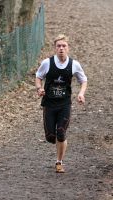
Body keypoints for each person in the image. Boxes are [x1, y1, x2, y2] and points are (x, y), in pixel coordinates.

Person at [35, 34, 88, 173]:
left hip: (65, 104)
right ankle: (55, 142)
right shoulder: (47, 63)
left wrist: (81, 93)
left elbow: (83, 80)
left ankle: (59, 162)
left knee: (61, 133)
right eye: (58, 46)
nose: (61, 48)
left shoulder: (74, 64)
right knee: (50, 137)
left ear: (68, 48)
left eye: (64, 46)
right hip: (49, 104)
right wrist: (39, 88)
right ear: (55, 48)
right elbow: (38, 77)